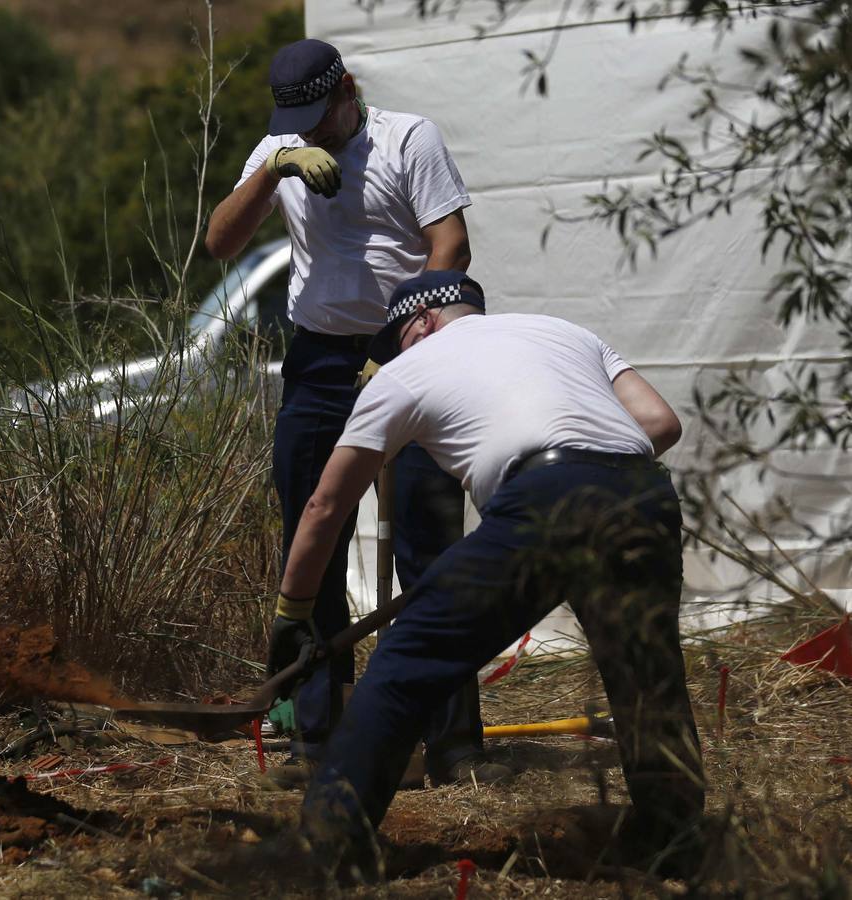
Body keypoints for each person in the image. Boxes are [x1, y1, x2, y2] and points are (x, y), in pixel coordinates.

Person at [271, 270, 705, 878]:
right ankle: (677, 846)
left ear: (420, 322)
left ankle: (326, 849)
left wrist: (292, 614)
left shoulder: (408, 370)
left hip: (544, 493)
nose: (391, 357)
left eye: (393, 341)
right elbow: (661, 424)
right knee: (645, 676)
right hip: (642, 495)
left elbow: (323, 507)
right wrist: (588, 473)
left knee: (403, 667)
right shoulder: (565, 332)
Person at [206, 38, 498, 786]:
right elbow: (218, 241)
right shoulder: (282, 148)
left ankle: (454, 744)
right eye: (295, 123)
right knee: (313, 540)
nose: (312, 134)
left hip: (413, 351)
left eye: (320, 119)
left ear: (350, 92)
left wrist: (403, 336)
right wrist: (272, 171)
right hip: (319, 363)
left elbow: (450, 245)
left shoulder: (409, 138)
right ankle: (319, 738)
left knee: (430, 549)